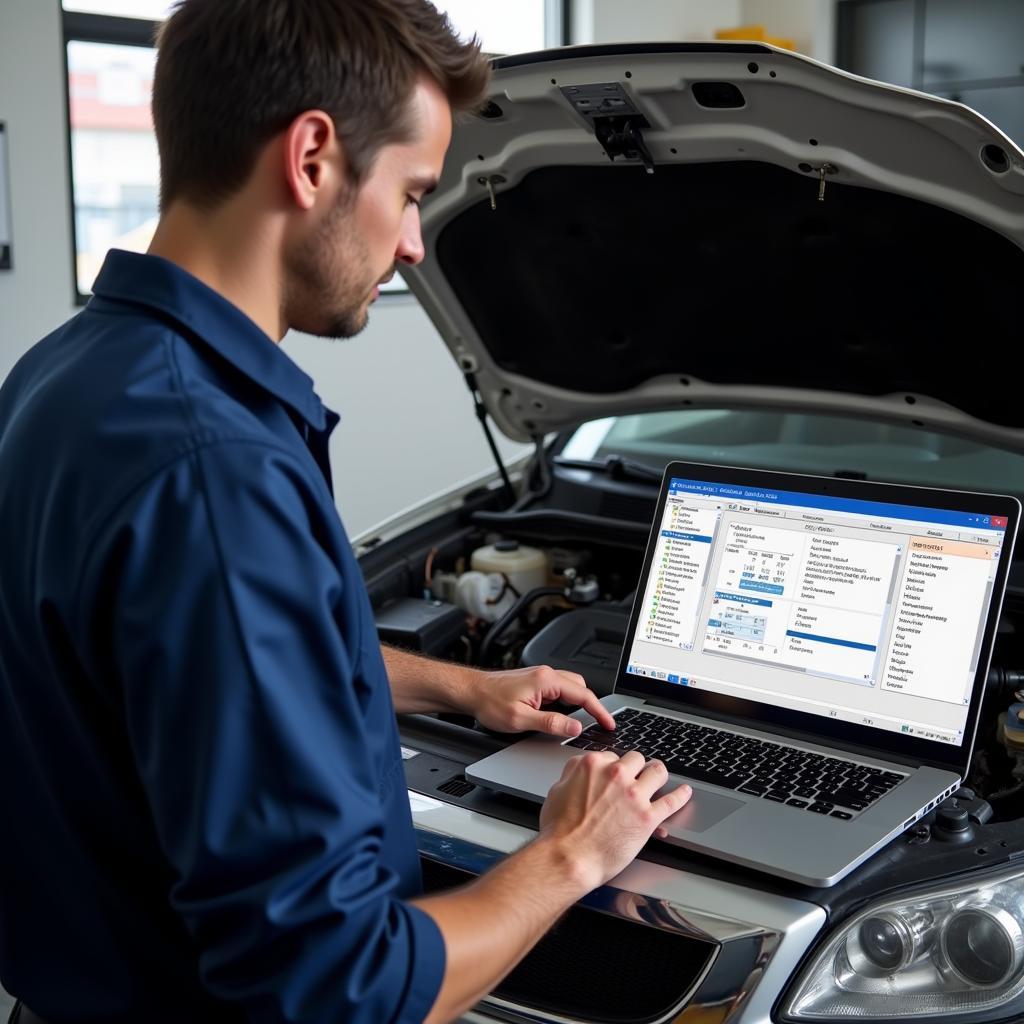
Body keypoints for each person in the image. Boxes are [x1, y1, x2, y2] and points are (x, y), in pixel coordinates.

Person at [0, 2, 692, 1021]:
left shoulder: (65, 378)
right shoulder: (217, 474)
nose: (415, 244)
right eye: (412, 192)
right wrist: (568, 854)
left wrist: (466, 688)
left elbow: (187, 675)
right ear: (313, 156)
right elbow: (339, 988)